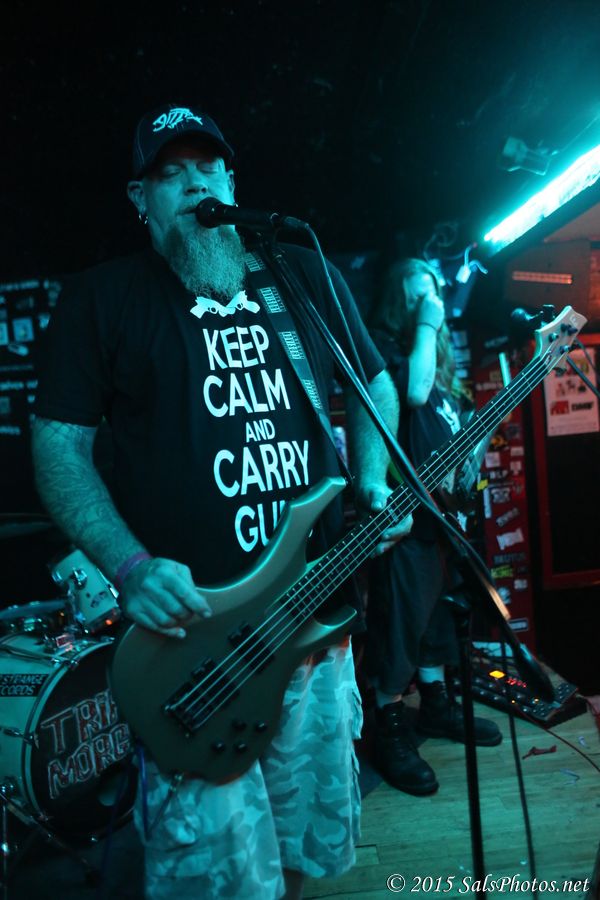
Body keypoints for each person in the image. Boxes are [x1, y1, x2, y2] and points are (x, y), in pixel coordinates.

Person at [31, 102, 411, 900]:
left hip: (313, 620)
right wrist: (130, 567)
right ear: (140, 199)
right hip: (195, 643)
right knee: (218, 871)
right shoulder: (103, 298)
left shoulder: (299, 272)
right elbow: (59, 444)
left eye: (207, 168)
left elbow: (372, 382)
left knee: (302, 839)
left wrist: (373, 480)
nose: (194, 184)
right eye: (169, 174)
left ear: (232, 182)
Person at [365, 257, 501, 797]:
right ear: (399, 299)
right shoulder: (388, 355)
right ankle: (389, 725)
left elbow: (445, 433)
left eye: (434, 295)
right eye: (419, 293)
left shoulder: (443, 380)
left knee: (438, 625)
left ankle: (436, 704)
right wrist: (426, 322)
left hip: (444, 524)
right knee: (400, 629)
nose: (433, 303)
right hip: (406, 523)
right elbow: (414, 393)